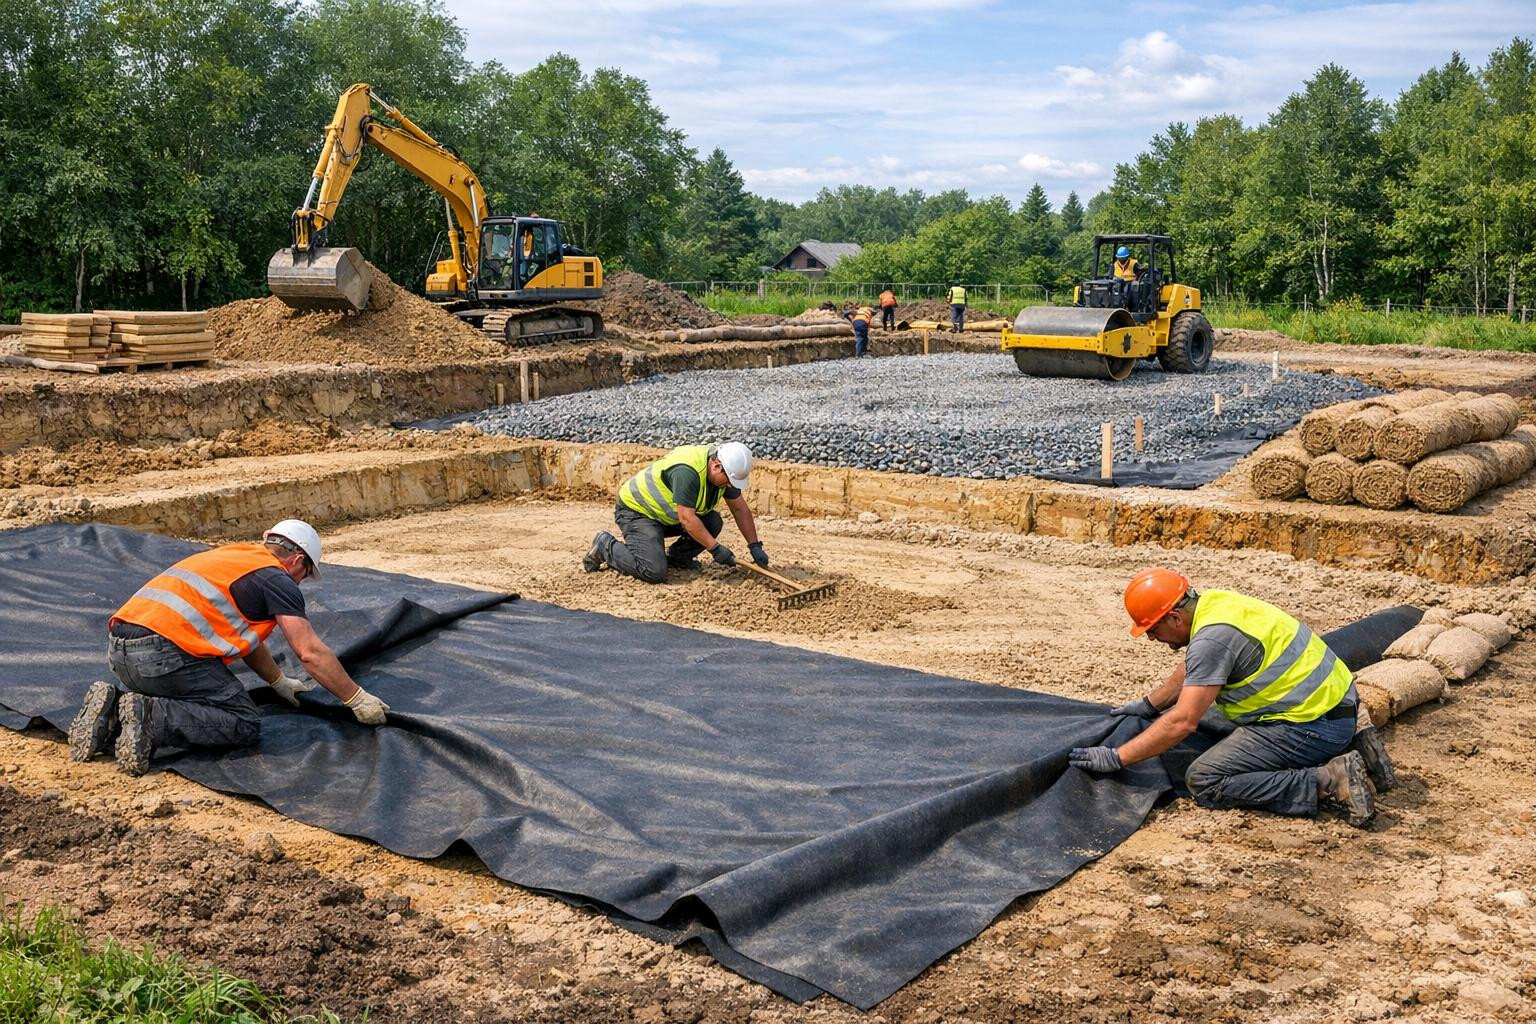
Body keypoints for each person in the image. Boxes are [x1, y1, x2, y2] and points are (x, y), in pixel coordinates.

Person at [68, 520, 391, 777]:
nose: (301, 583)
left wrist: (277, 681)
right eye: (306, 574)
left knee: (199, 693)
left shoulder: (233, 556)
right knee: (242, 722)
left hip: (121, 654)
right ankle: (150, 715)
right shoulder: (277, 579)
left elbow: (244, 639)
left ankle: (115, 708)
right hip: (163, 658)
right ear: (297, 560)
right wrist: (355, 697)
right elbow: (309, 651)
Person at [1068, 568, 1382, 828]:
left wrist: (1118, 757)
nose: (1150, 637)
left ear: (1175, 618)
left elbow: (1182, 722)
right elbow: (1196, 667)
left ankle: (1329, 780)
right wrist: (1151, 704)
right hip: (1337, 701)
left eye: (1152, 628)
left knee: (1205, 779)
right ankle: (1357, 738)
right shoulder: (1215, 605)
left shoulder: (1212, 640)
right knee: (1207, 718)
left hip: (1312, 724)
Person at [583, 442, 768, 584]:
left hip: (665, 515)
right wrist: (715, 548)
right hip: (637, 512)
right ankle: (605, 546)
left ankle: (677, 558)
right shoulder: (688, 473)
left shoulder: (724, 471)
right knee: (653, 571)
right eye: (728, 480)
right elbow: (687, 519)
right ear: (717, 466)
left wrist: (754, 546)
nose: (729, 486)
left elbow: (739, 508)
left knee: (712, 522)